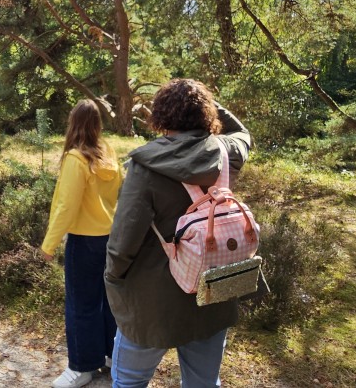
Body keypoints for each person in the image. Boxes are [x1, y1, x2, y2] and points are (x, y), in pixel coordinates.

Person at [104, 79, 252, 388]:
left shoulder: (146, 164)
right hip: (214, 290)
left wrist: (113, 279)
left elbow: (123, 242)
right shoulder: (226, 153)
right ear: (207, 114)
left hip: (152, 299)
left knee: (129, 382)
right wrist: (205, 104)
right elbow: (243, 133)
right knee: (203, 383)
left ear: (160, 117)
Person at [41, 100, 123, 388]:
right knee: (109, 302)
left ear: (73, 123)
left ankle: (82, 367)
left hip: (84, 242)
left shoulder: (77, 159)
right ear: (98, 124)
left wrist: (49, 244)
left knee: (81, 304)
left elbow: (67, 206)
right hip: (110, 240)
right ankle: (114, 358)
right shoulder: (109, 153)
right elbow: (120, 195)